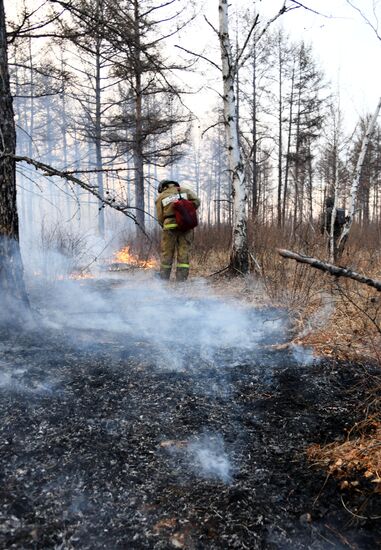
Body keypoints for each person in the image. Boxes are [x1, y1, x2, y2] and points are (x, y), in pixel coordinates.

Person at [155, 179, 200, 281]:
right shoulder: (185, 191)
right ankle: (181, 280)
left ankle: (164, 279)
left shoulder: (161, 196)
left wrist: (165, 224)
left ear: (163, 187)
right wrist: (186, 211)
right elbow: (197, 201)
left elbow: (160, 216)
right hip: (186, 226)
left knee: (167, 253)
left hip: (169, 227)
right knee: (184, 253)